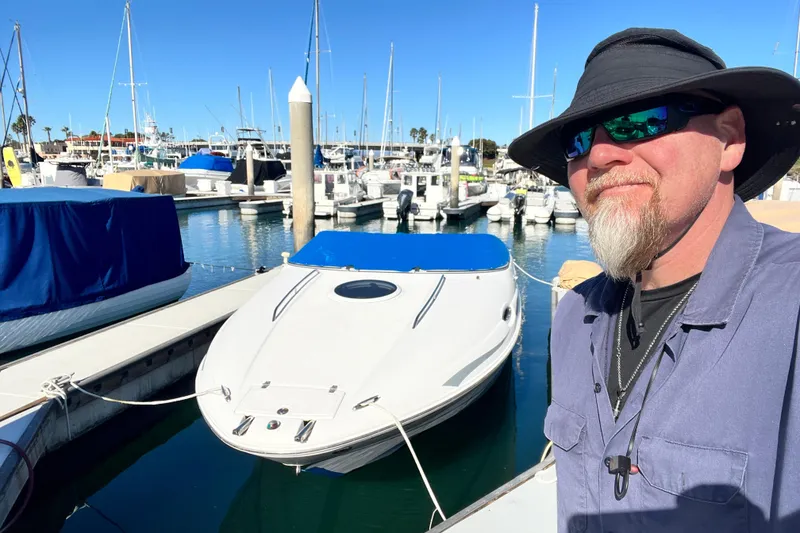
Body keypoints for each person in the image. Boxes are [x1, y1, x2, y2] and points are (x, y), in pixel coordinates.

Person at [508, 28, 800, 533]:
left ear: (729, 140)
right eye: (579, 141)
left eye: (638, 121)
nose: (600, 156)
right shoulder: (574, 314)